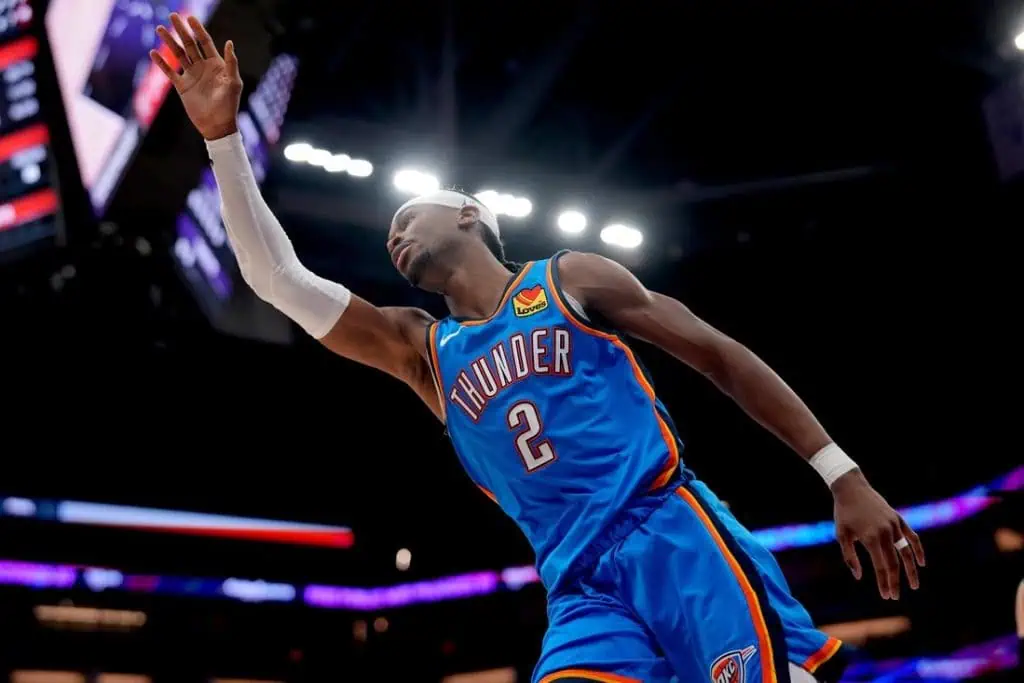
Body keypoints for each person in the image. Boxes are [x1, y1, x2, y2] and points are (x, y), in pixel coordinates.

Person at [151, 16, 926, 683]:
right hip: (579, 586)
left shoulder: (569, 279)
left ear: (470, 213)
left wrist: (841, 473)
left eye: (406, 216)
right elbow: (276, 277)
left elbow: (717, 354)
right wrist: (223, 140)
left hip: (668, 529)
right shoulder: (424, 349)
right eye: (388, 231)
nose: (391, 234)